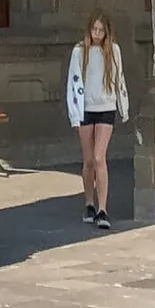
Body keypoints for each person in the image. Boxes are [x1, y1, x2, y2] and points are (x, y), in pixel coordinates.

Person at [66, 11, 130, 227]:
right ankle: (89, 203)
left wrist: (123, 108)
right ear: (89, 30)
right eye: (94, 29)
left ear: (107, 32)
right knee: (88, 160)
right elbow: (73, 83)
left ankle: (103, 209)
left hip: (106, 107)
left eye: (101, 30)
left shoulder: (114, 51)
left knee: (99, 157)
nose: (97, 33)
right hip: (85, 109)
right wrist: (74, 116)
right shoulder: (79, 52)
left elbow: (119, 79)